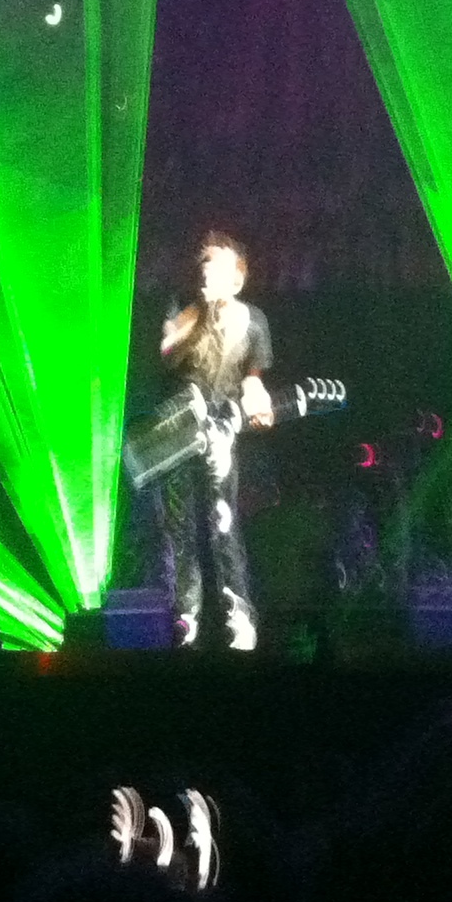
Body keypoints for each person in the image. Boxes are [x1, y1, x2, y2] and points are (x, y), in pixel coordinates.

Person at [154, 231, 274, 651]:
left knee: (223, 522)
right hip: (176, 433)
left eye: (216, 262)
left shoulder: (253, 321)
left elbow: (253, 377)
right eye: (203, 260)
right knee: (179, 526)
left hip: (221, 432)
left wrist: (258, 399)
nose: (206, 268)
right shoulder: (181, 309)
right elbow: (167, 354)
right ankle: (185, 617)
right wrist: (198, 314)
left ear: (237, 279)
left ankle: (239, 616)